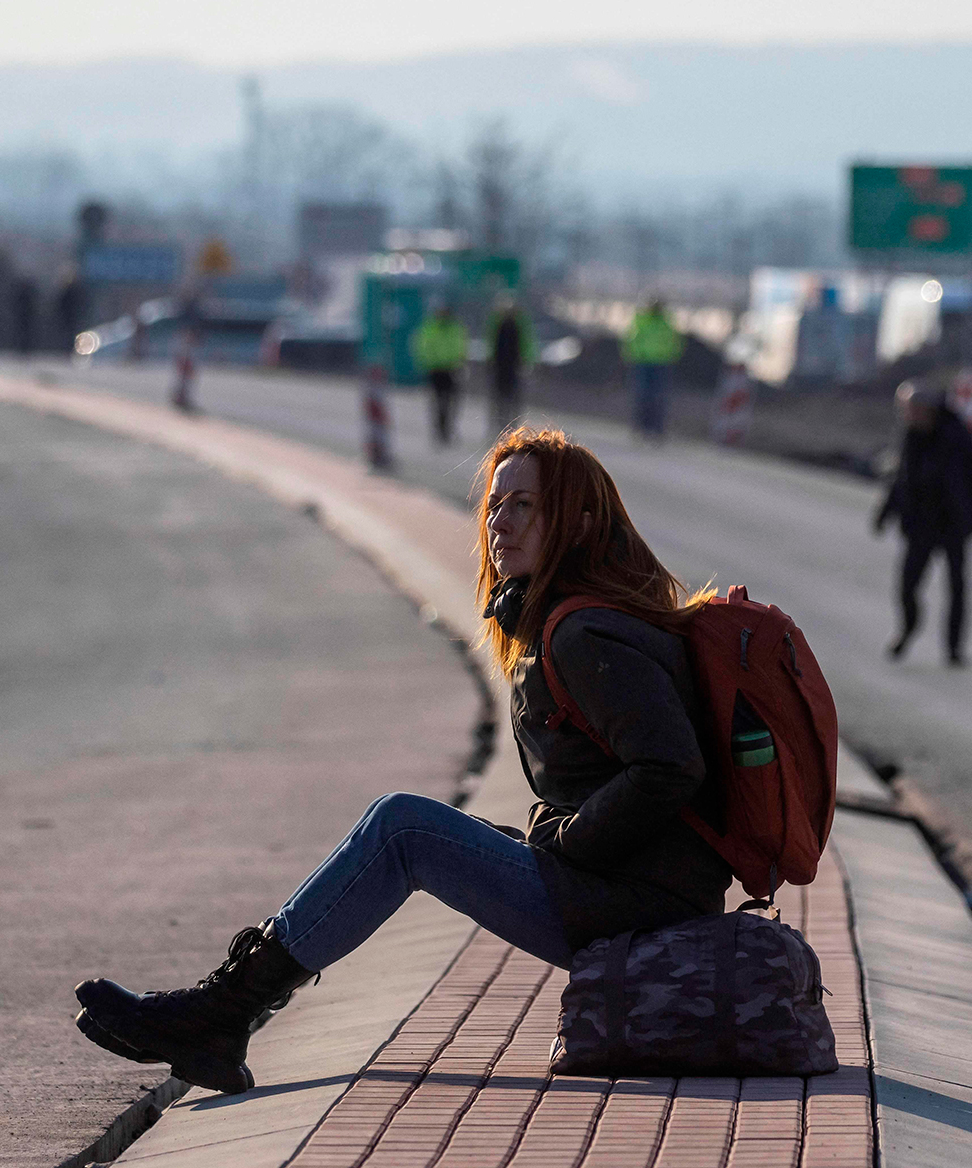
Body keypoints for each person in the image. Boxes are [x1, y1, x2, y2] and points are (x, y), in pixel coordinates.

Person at [72, 428, 732, 1095]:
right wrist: (558, 839)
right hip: (626, 889)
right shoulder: (578, 619)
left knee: (404, 828)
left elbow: (671, 768)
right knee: (400, 831)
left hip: (640, 907)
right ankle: (225, 1011)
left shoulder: (586, 633)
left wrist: (568, 840)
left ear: (581, 524)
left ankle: (223, 1012)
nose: (499, 523)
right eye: (495, 505)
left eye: (524, 506)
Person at [873, 382, 972, 667]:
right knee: (907, 587)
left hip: (953, 524)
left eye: (914, 411)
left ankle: (954, 649)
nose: (910, 416)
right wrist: (885, 512)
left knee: (957, 589)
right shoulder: (911, 438)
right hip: (920, 525)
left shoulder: (957, 436)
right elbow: (901, 479)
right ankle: (908, 627)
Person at [622, 299, 683, 439]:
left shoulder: (666, 323)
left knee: (658, 398)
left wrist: (671, 356)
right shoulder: (641, 321)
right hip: (643, 363)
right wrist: (633, 356)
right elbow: (631, 340)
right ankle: (641, 428)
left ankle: (656, 430)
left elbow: (675, 342)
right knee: (642, 397)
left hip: (661, 364)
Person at [412, 303, 469, 446]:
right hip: (435, 369)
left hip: (451, 368)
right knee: (438, 401)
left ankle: (447, 429)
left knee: (451, 402)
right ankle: (440, 430)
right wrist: (427, 362)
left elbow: (462, 346)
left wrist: (460, 362)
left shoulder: (455, 328)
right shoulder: (430, 328)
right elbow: (422, 346)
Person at [489, 297, 537, 433]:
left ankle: (513, 426)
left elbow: (526, 343)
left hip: (514, 366)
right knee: (499, 398)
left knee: (513, 398)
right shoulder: (497, 323)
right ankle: (500, 425)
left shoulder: (520, 324)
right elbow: (492, 343)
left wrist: (526, 361)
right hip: (500, 366)